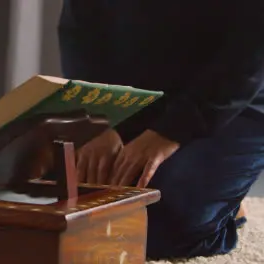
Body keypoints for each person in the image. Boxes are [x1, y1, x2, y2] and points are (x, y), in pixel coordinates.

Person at [57, 0, 264, 260]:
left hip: (235, 100)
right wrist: (99, 116)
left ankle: (226, 206)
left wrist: (171, 132)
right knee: (41, 203)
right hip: (133, 94)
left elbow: (249, 56)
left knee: (147, 226)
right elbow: (79, 28)